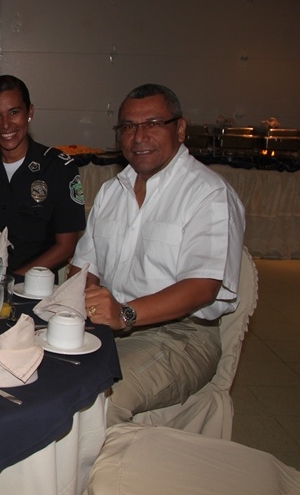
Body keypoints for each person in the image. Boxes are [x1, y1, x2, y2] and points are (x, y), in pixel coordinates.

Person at [70, 83, 245, 425]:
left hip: (181, 336)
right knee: (41, 377)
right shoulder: (111, 191)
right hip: (109, 326)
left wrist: (125, 314)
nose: (139, 137)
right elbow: (84, 267)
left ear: (180, 129)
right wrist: (80, 300)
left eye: (153, 123)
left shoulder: (208, 194)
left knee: (95, 400)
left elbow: (202, 288)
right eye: (128, 126)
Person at [0, 75, 86, 275]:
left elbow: (66, 246)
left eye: (14, 112)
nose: (5, 125)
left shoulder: (59, 169)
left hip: (34, 284)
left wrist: (12, 281)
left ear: (29, 112)